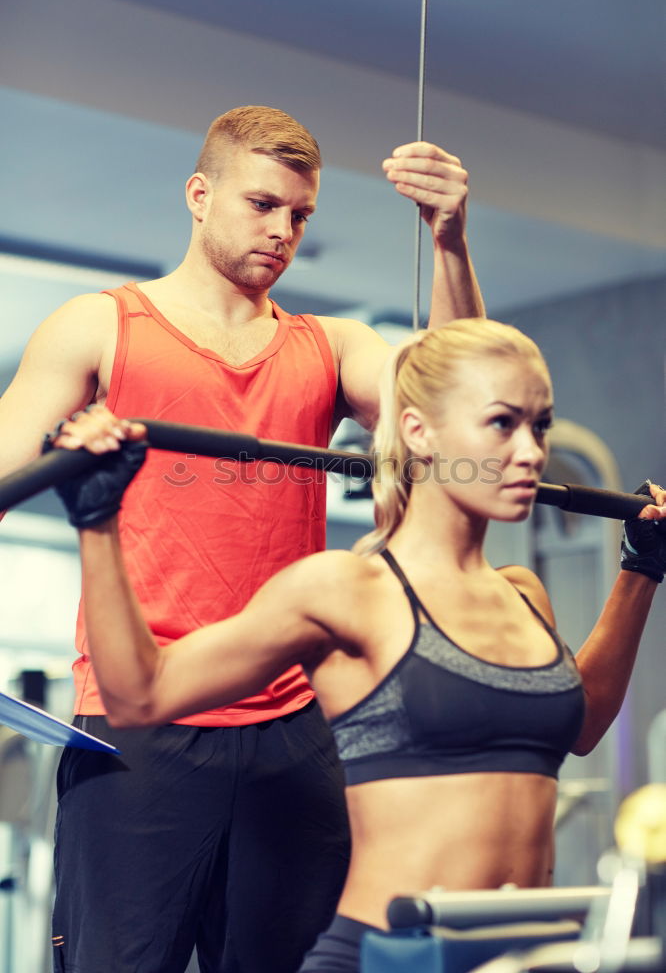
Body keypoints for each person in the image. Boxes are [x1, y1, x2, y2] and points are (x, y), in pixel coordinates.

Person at [0, 106, 485, 972]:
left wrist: (449, 242)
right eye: (262, 204)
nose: (283, 231)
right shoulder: (99, 327)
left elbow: (452, 417)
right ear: (199, 193)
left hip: (292, 732)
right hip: (137, 725)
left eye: (299, 215)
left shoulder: (332, 346)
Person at [46, 317, 665, 973]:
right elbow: (140, 694)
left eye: (539, 425)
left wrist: (643, 568)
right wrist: (98, 521)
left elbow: (586, 722)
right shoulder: (348, 590)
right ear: (419, 432)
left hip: (523, 952)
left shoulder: (522, 594)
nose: (531, 452)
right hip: (395, 954)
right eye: (502, 424)